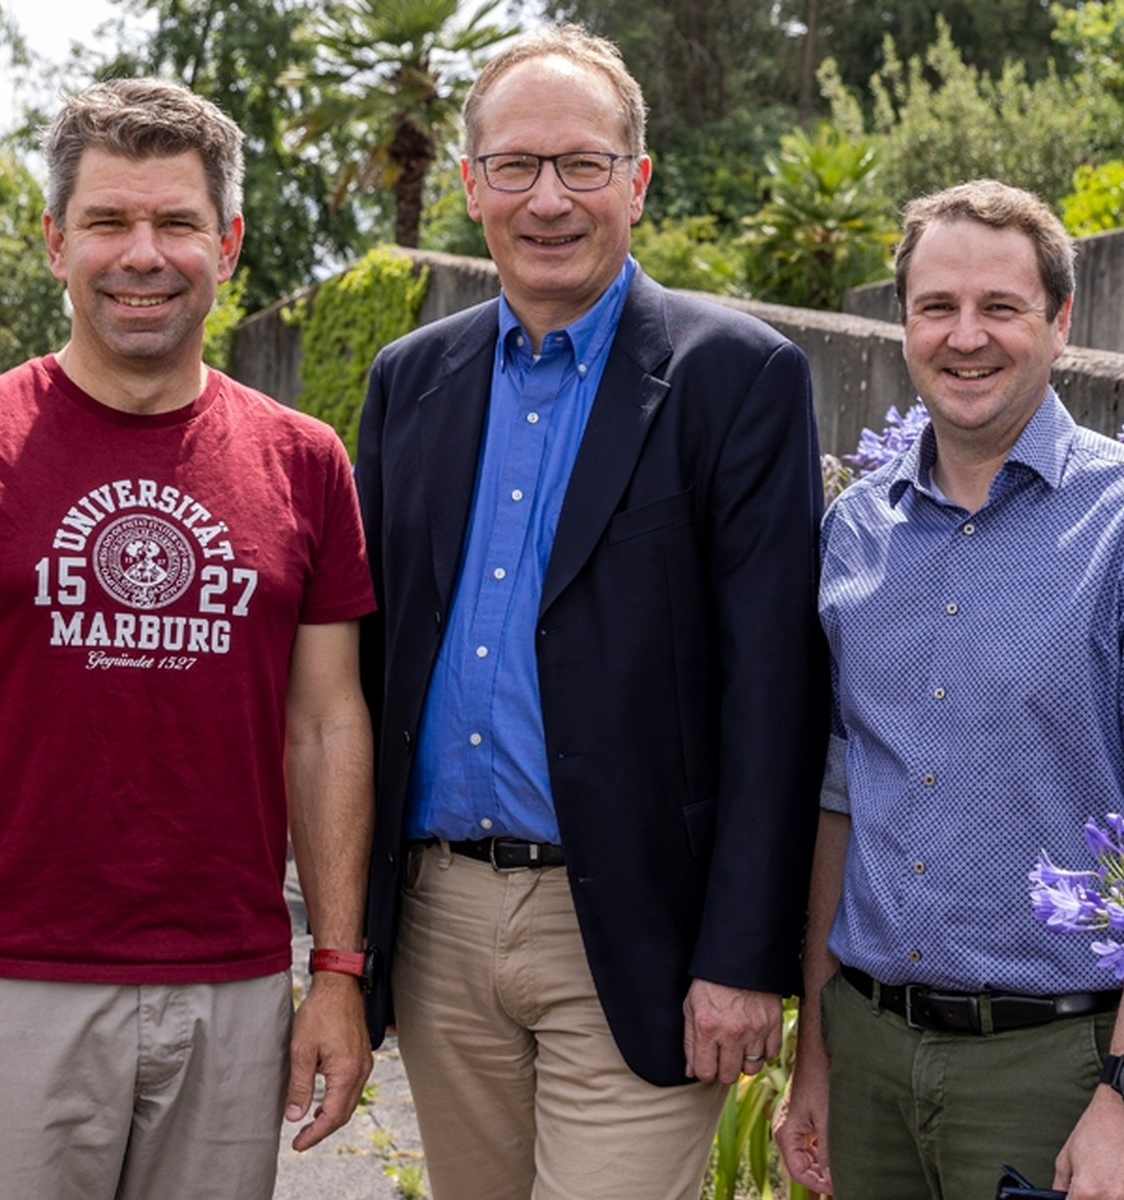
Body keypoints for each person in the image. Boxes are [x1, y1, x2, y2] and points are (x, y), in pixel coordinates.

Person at [0, 78, 375, 1199]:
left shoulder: (306, 461)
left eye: (177, 223)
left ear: (228, 245)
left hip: (231, 988)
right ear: (55, 244)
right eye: (108, 221)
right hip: (7, 987)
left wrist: (335, 971)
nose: (143, 254)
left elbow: (326, 725)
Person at [352, 25, 828, 1200]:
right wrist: (350, 943)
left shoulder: (739, 379)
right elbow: (368, 664)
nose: (549, 199)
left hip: (636, 930)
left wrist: (741, 957)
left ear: (638, 181)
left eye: (583, 164)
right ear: (471, 187)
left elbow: (774, 693)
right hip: (439, 923)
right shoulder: (408, 382)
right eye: (515, 166)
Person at [773, 179, 1124, 1200]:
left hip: (1052, 1072)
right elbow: (841, 806)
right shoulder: (853, 531)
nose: (966, 337)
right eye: (937, 307)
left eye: (1000, 307)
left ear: (1061, 321)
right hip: (867, 1060)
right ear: (904, 323)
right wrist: (816, 1057)